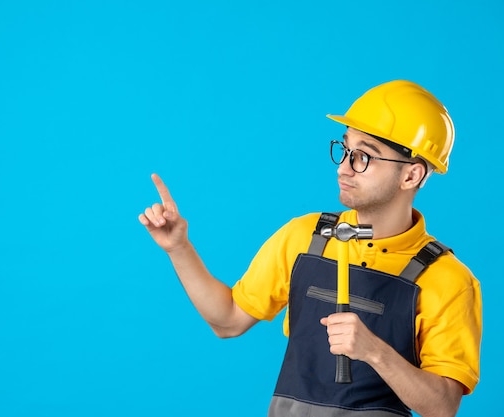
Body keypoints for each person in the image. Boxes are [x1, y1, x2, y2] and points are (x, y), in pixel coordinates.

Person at [138, 80, 481, 417]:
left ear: (411, 176)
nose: (344, 167)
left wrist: (376, 352)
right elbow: (227, 321)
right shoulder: (305, 237)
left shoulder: (447, 280)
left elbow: (443, 406)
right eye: (345, 149)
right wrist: (178, 248)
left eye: (364, 156)